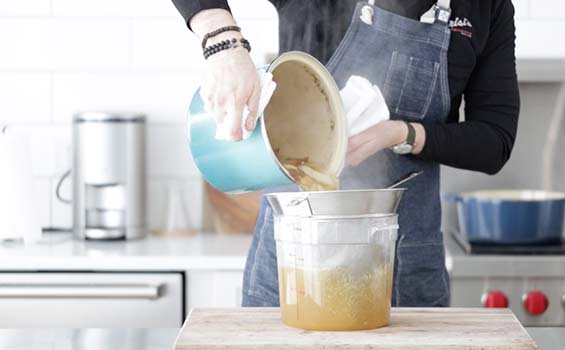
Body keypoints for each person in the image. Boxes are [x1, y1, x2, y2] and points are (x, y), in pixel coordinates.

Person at [172, 0, 519, 307]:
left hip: (403, 262)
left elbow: (494, 142)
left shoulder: (485, 7)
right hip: (294, 256)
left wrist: (403, 133)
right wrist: (224, 44)